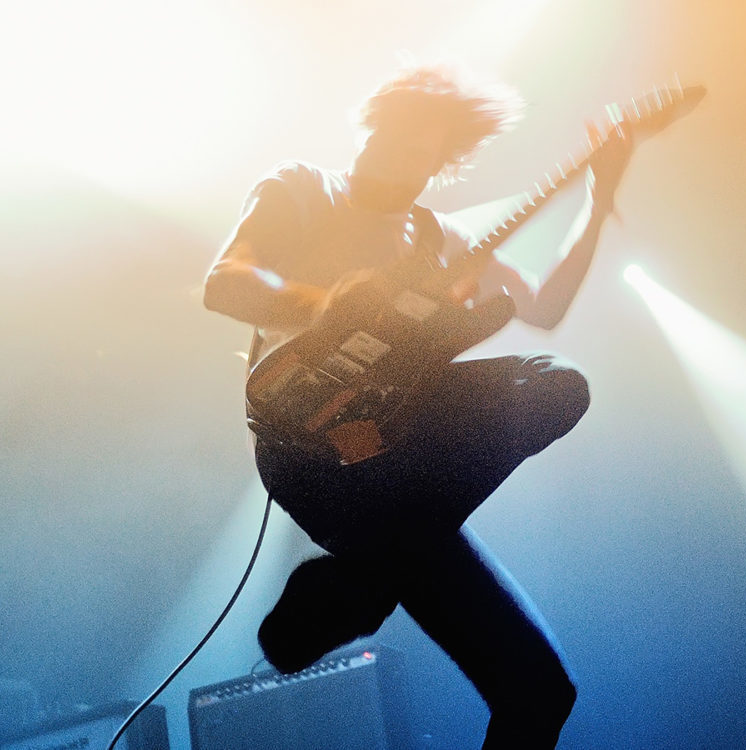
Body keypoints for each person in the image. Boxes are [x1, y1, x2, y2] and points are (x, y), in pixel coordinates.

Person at [202, 65, 630, 748]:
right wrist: (322, 304)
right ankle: (368, 574)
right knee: (534, 685)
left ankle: (364, 580)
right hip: (307, 450)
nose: (401, 158)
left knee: (540, 693)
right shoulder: (303, 189)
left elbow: (545, 308)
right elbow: (225, 282)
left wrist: (600, 197)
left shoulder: (439, 238)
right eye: (393, 137)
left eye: (421, 150)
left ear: (441, 163)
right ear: (371, 125)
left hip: (397, 464)